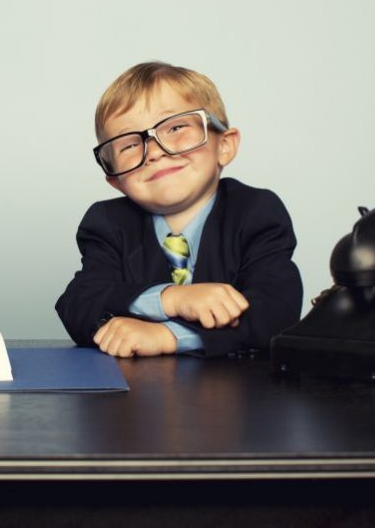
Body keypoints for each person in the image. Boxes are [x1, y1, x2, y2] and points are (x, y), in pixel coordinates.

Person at [55, 62, 302, 357]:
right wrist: (170, 299)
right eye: (129, 145)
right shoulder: (108, 223)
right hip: (137, 397)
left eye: (176, 127)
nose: (155, 152)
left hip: (237, 394)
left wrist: (168, 335)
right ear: (115, 179)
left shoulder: (256, 212)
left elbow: (276, 312)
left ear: (225, 145)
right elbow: (79, 303)